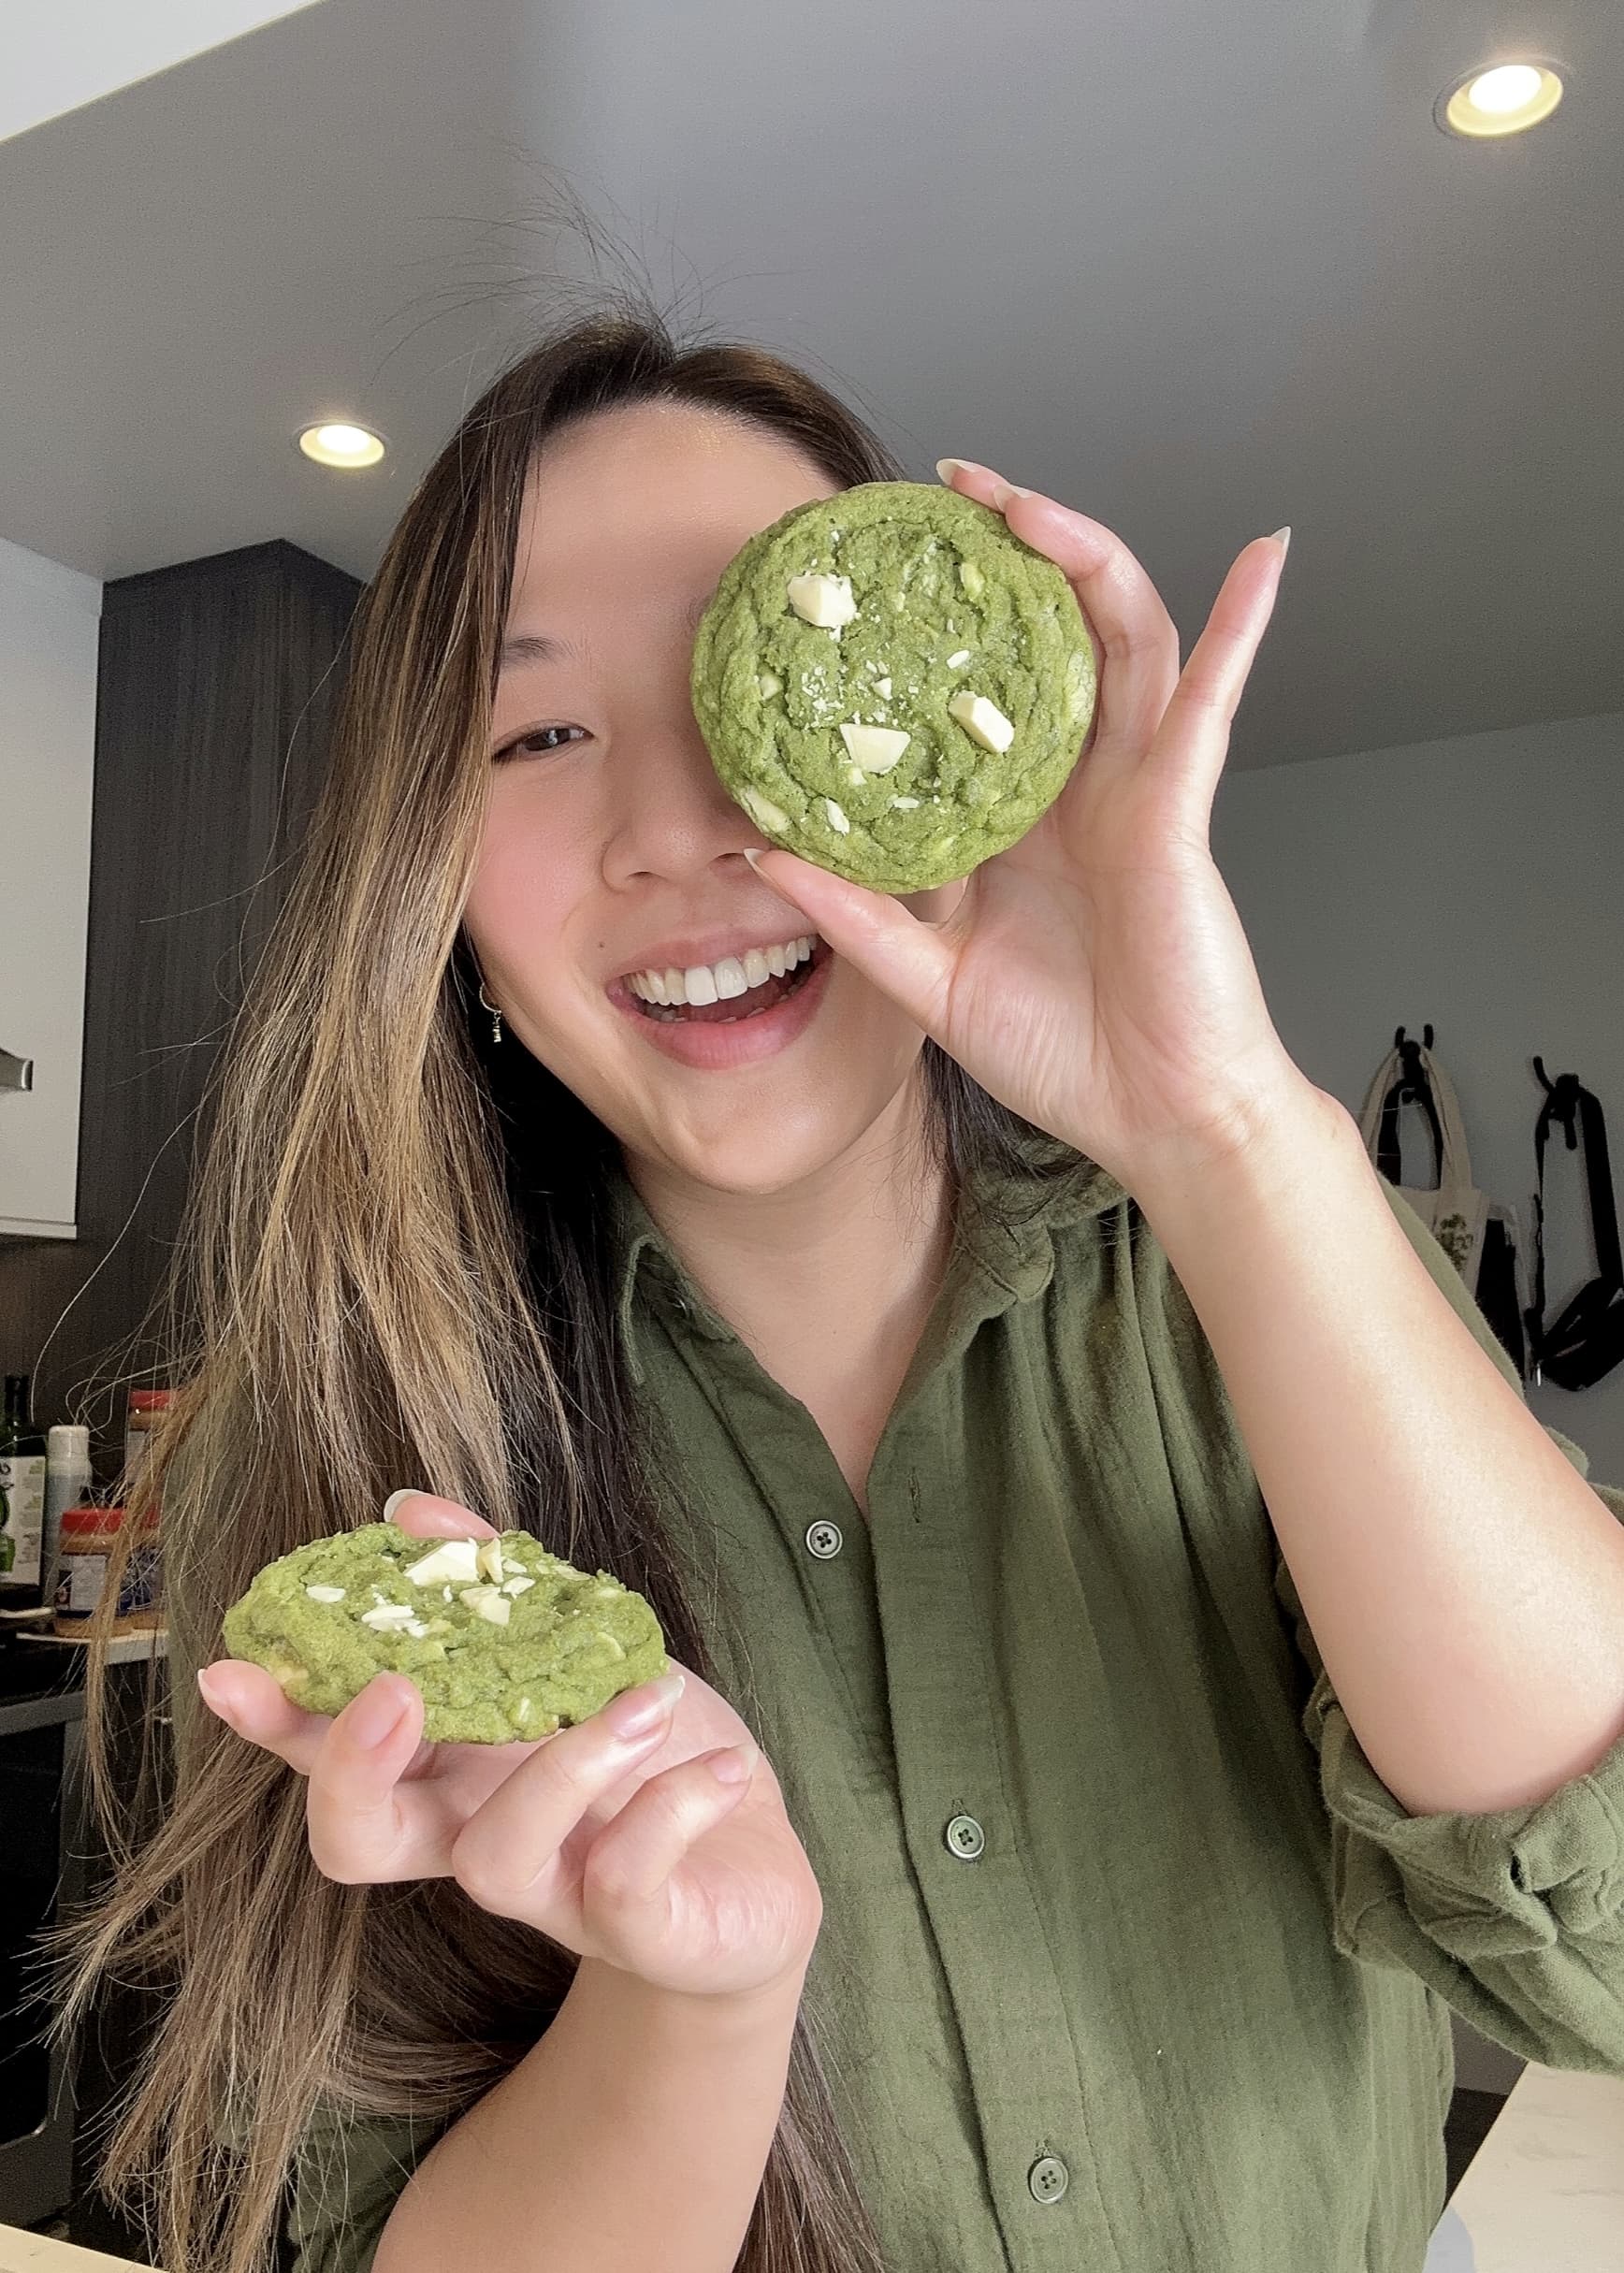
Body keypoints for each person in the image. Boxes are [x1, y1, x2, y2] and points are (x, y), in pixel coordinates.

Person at [51, 297, 1624, 2273]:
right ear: (432, 892)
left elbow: (1609, 1960)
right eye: (534, 729)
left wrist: (1224, 1131)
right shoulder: (344, 1476)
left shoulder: (1264, 1266)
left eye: (758, 675)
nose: (682, 828)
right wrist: (686, 2005)